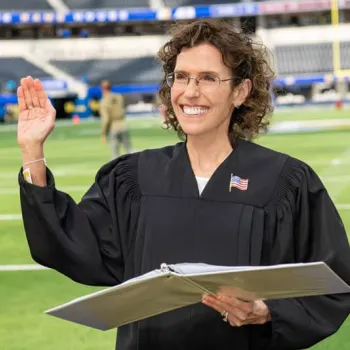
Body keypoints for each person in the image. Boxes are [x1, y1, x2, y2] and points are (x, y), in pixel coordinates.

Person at [17, 19, 350, 350]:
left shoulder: (284, 182)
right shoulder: (133, 178)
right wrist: (32, 150)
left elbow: (333, 283)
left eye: (208, 78)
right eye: (181, 77)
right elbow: (71, 242)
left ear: (240, 91)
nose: (191, 92)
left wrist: (266, 311)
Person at [99, 80, 132, 158]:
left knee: (115, 154)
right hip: (123, 125)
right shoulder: (119, 96)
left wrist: (103, 132)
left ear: (102, 89)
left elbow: (106, 119)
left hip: (113, 127)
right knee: (129, 150)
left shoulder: (103, 101)